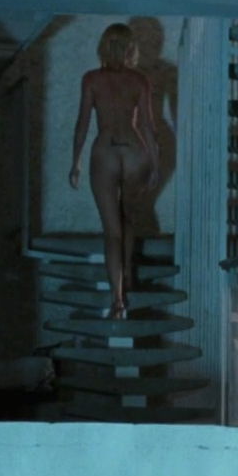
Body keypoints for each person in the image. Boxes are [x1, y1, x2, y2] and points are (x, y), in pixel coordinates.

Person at [69, 23, 159, 319]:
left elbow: (82, 123)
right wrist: (155, 164)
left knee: (112, 232)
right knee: (127, 218)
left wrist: (75, 162)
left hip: (105, 151)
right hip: (134, 151)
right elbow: (148, 126)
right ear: (131, 48)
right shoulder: (139, 80)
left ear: (103, 46)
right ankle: (127, 273)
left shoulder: (91, 79)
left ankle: (117, 300)